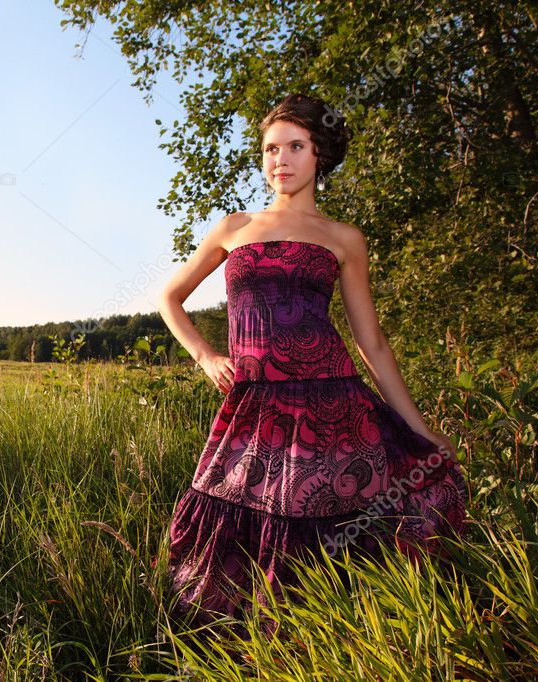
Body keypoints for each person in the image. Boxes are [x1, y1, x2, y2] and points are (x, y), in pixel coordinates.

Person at [156, 93, 468, 642]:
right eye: (271, 148)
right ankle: (244, 646)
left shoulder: (343, 239)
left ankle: (325, 639)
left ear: (318, 153)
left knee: (327, 526)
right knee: (239, 516)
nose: (281, 160)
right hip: (254, 399)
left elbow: (371, 341)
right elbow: (171, 298)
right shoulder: (234, 228)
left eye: (295, 146)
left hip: (332, 402)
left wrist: (419, 429)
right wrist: (206, 356)